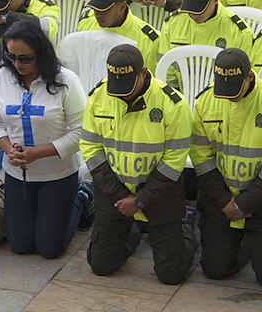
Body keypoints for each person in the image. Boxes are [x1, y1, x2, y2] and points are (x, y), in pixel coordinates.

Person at [80, 43, 192, 284]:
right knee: (100, 265)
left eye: (128, 86)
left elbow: (174, 161)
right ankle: (132, 232)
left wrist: (141, 200)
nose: (123, 93)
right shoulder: (98, 96)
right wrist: (122, 196)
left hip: (160, 194)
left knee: (171, 275)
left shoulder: (172, 104)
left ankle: (186, 233)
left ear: (143, 73)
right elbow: (90, 148)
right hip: (115, 194)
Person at [188, 47, 262, 287]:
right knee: (215, 270)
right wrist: (226, 202)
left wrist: (242, 204)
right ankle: (245, 243)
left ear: (250, 77)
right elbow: (201, 157)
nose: (229, 96)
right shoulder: (205, 101)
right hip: (221, 198)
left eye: (235, 89)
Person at [0, 20, 85, 258]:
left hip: (57, 174)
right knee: (20, 245)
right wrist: (8, 149)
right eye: (11, 57)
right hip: (17, 174)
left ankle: (82, 199)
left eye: (25, 58)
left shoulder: (66, 81)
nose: (17, 64)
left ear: (40, 53)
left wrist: (38, 153)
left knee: (50, 249)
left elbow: (82, 132)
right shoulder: (3, 77)